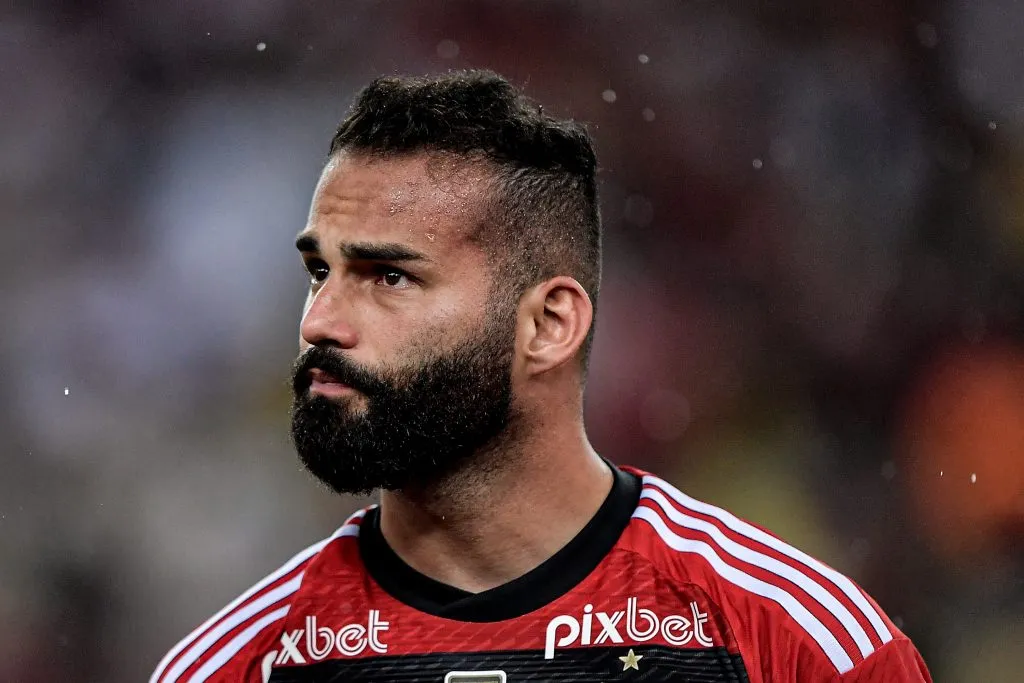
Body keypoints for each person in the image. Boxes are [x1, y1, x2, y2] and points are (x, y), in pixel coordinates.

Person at [150, 70, 932, 683]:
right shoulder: (238, 665)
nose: (320, 320)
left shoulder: (795, 646)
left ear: (549, 325)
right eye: (320, 270)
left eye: (388, 277)